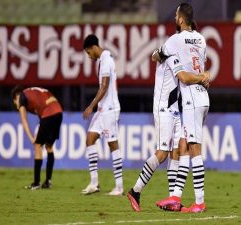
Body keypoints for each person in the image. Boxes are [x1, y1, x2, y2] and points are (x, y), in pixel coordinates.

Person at [126, 46, 210, 211]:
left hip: (177, 108)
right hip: (163, 107)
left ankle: (174, 199)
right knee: (162, 153)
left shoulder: (182, 56)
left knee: (178, 150)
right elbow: (181, 75)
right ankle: (135, 191)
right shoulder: (171, 52)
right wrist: (203, 76)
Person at [153, 3, 210, 213]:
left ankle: (200, 202)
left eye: (176, 15)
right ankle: (175, 197)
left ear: (180, 20)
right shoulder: (202, 39)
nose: (175, 18)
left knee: (194, 149)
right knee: (184, 145)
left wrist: (156, 55)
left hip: (191, 100)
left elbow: (159, 55)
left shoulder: (175, 40)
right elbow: (201, 67)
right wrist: (204, 76)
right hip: (204, 97)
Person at [81, 34, 123, 196]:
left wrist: (90, 106)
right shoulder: (103, 60)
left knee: (113, 145)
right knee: (90, 139)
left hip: (110, 109)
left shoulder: (106, 60)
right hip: (102, 109)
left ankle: (119, 187)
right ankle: (94, 183)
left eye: (88, 53)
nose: (88, 56)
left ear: (93, 48)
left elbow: (104, 87)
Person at [12, 86, 63, 190]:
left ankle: (36, 183)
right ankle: (48, 181)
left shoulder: (22, 96)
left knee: (37, 145)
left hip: (48, 113)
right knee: (49, 146)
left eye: (15, 103)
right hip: (58, 112)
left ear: (16, 97)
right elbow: (42, 115)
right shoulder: (34, 93)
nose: (17, 106)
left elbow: (23, 119)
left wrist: (31, 137)